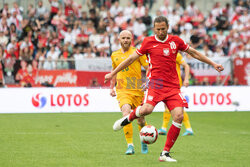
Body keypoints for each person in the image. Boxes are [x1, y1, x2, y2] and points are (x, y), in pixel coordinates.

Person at [104, 16, 224, 162]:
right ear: (154, 28)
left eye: (163, 29)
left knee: (179, 115)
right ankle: (127, 119)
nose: (160, 32)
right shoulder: (148, 42)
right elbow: (130, 59)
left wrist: (213, 63)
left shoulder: (176, 41)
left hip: (173, 86)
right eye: (158, 29)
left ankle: (165, 153)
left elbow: (194, 52)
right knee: (147, 109)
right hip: (156, 84)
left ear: (168, 27)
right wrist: (113, 73)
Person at [110, 30, 149, 155]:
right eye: (123, 38)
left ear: (131, 39)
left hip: (137, 90)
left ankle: (144, 140)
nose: (126, 40)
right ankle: (130, 145)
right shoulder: (114, 55)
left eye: (128, 38)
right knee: (126, 113)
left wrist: (148, 81)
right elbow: (114, 71)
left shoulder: (138, 53)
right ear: (119, 39)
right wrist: (111, 87)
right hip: (122, 90)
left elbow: (149, 68)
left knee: (140, 120)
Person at [158, 53, 194, 136]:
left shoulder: (176, 54)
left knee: (174, 106)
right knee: (170, 106)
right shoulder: (162, 53)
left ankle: (164, 128)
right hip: (166, 83)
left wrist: (186, 79)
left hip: (174, 84)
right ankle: (188, 129)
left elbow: (186, 66)